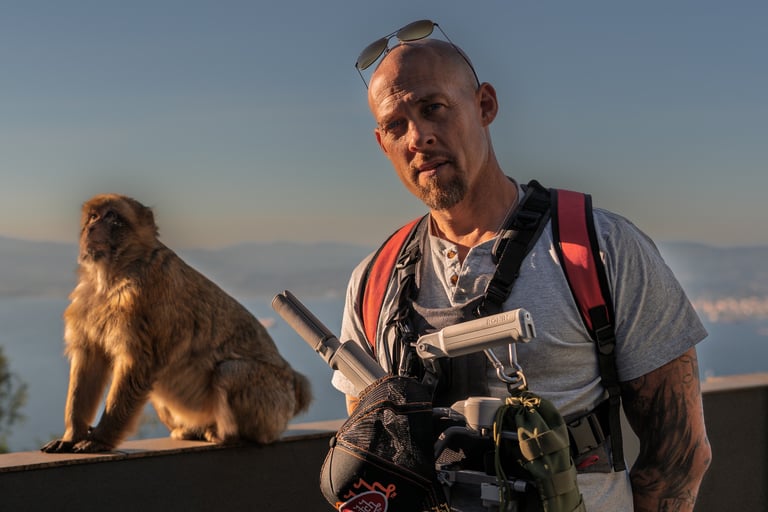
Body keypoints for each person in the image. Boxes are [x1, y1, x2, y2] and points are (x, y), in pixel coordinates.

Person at [332, 20, 711, 511]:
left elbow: (680, 455)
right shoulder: (373, 281)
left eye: (434, 109)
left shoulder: (599, 248)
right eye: (395, 126)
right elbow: (370, 457)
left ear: (485, 105)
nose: (418, 137)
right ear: (383, 144)